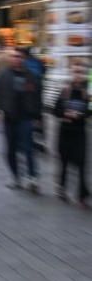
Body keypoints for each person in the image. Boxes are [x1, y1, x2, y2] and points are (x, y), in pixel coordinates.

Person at [0, 49, 42, 192]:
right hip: (9, 118)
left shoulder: (31, 76)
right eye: (14, 56)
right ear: (9, 59)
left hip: (25, 117)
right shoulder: (4, 75)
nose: (17, 59)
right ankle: (15, 177)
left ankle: (32, 177)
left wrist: (37, 117)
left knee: (28, 148)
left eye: (19, 57)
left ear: (24, 59)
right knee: (10, 150)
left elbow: (37, 97)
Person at [53, 63, 89, 206]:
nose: (78, 75)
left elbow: (89, 111)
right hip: (65, 132)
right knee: (64, 162)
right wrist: (65, 114)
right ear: (71, 73)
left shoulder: (87, 94)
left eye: (81, 72)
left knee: (81, 163)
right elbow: (56, 111)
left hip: (79, 133)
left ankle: (82, 195)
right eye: (75, 72)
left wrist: (79, 115)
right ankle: (62, 188)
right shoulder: (65, 91)